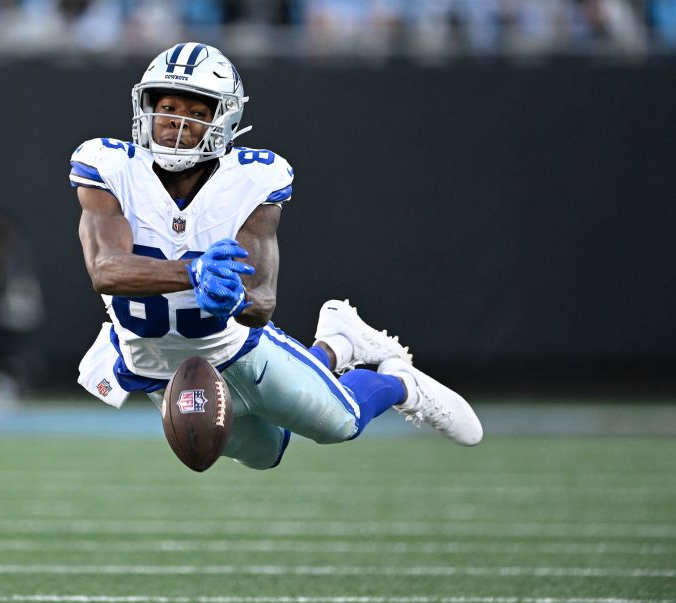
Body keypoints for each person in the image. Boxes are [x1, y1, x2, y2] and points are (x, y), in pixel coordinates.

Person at [72, 42, 482, 470]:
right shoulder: (109, 168)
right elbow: (106, 270)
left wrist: (234, 297)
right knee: (267, 454)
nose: (177, 124)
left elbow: (262, 301)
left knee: (341, 424)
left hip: (243, 355)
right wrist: (194, 272)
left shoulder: (253, 178)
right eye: (169, 107)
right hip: (162, 374)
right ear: (146, 108)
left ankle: (400, 383)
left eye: (196, 114)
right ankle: (336, 345)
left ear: (222, 119)